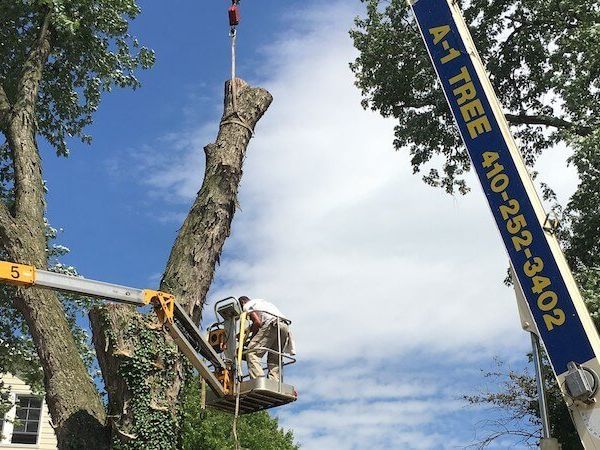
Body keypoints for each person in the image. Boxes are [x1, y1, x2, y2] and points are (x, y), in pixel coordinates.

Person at [238, 296, 295, 381]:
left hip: (272, 324)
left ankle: (258, 380)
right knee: (274, 358)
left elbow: (257, 323)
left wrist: (248, 340)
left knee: (251, 353)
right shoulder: (261, 302)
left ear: (242, 303)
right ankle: (275, 382)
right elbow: (259, 327)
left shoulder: (247, 306)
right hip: (284, 326)